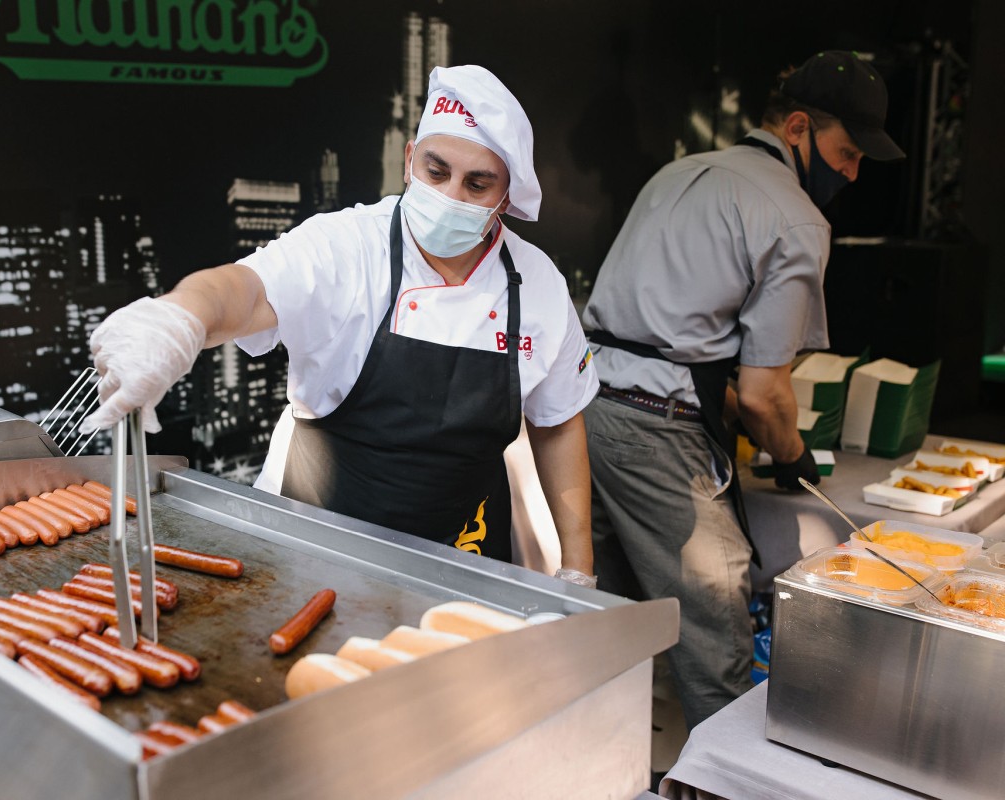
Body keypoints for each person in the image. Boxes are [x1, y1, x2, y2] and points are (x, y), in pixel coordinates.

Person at [83, 65, 598, 587]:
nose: (450, 197)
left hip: (463, 551)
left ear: (506, 197)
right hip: (313, 540)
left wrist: (578, 570)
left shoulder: (536, 284)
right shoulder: (347, 246)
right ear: (408, 161)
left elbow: (556, 424)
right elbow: (246, 289)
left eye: (477, 185)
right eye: (435, 172)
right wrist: (181, 317)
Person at [581, 50, 906, 728]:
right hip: (655, 435)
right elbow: (765, 396)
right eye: (847, 153)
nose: (850, 173)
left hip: (586, 412)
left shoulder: (677, 174)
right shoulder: (794, 219)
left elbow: (671, 348)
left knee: (610, 627)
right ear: (796, 128)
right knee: (715, 630)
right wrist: (790, 456)